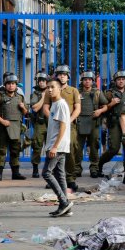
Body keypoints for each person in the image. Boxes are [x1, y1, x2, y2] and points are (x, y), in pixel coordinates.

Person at [42, 65, 81, 190]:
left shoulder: (73, 90)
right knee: (55, 154)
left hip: (70, 125)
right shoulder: (51, 89)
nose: (62, 76)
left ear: (68, 76)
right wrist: (54, 119)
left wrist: (67, 120)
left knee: (70, 150)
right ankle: (54, 180)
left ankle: (71, 178)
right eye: (60, 74)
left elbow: (77, 108)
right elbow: (45, 108)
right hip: (56, 125)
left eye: (64, 74)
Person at [42, 77, 74, 217]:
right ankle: (65, 205)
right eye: (48, 87)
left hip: (58, 146)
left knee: (46, 173)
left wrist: (54, 147)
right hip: (57, 145)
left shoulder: (60, 104)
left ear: (60, 88)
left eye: (52, 87)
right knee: (60, 175)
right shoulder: (55, 104)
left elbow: (63, 126)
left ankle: (64, 201)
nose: (49, 89)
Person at [0, 74, 28, 181]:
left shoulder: (20, 97)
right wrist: (2, 121)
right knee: (1, 150)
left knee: (15, 150)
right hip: (2, 127)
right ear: (5, 85)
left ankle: (15, 173)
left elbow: (26, 113)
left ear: (16, 85)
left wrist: (23, 107)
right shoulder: (0, 96)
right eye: (9, 84)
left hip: (16, 127)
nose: (11, 86)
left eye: (13, 84)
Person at [97, 70, 125, 179]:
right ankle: (100, 164)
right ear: (115, 81)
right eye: (119, 79)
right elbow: (102, 108)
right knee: (114, 149)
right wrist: (111, 104)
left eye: (123, 79)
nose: (121, 81)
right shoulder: (109, 93)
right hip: (114, 123)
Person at [74, 71, 107, 180]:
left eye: (89, 80)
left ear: (92, 81)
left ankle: (94, 168)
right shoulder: (77, 92)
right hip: (79, 122)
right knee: (77, 147)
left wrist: (100, 111)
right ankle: (77, 168)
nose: (87, 81)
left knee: (94, 146)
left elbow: (106, 106)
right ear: (82, 81)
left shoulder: (97, 92)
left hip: (94, 122)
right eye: (85, 79)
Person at [28, 71, 50, 178]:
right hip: (40, 123)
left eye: (44, 81)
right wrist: (43, 97)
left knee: (50, 147)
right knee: (37, 146)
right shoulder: (35, 94)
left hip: (51, 122)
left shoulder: (52, 91)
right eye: (40, 81)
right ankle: (35, 169)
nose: (41, 83)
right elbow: (35, 108)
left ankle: (49, 169)